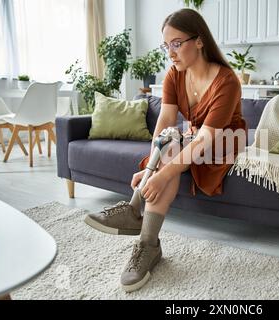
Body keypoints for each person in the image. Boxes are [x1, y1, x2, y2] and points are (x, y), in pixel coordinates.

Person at [84, 8, 246, 293]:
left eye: (176, 43)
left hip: (224, 143)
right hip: (193, 139)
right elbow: (165, 124)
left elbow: (206, 140)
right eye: (166, 45)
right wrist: (150, 169)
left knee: (171, 156)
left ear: (199, 41)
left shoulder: (227, 81)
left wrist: (160, 175)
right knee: (170, 142)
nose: (170, 52)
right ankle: (143, 235)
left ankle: (143, 233)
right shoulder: (174, 74)